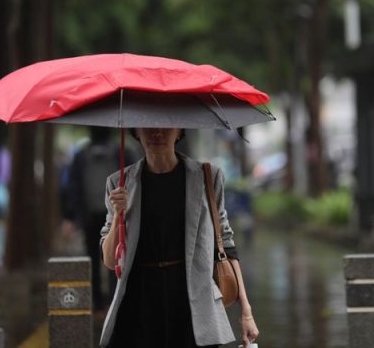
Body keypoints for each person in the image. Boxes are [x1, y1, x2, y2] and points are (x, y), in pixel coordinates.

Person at [100, 128, 259, 347]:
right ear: (136, 132)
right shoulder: (118, 183)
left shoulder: (208, 177)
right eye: (148, 126)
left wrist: (246, 312)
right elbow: (110, 261)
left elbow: (225, 244)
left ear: (179, 132)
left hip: (194, 303)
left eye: (166, 126)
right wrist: (119, 213)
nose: (157, 133)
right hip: (139, 302)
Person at [63, 127, 122, 313]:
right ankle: (113, 301)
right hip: (114, 215)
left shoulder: (80, 156)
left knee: (93, 258)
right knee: (116, 258)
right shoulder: (121, 153)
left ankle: (97, 303)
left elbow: (72, 186)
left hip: (90, 214)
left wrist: (71, 216)